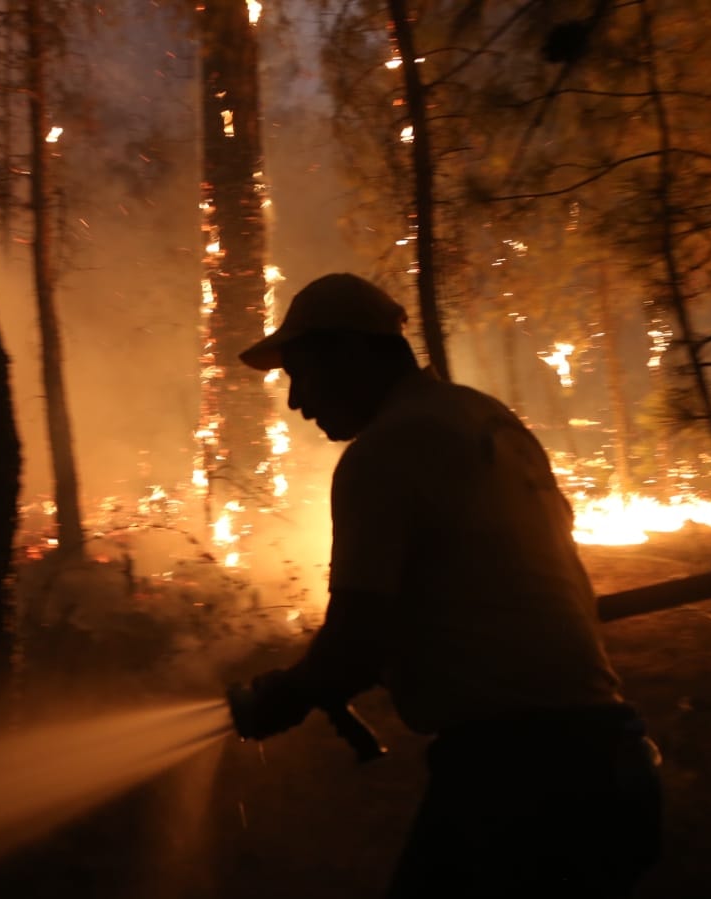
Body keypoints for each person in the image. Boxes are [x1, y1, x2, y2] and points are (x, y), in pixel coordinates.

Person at [231, 273, 662, 898]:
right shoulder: (487, 420)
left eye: (300, 372)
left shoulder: (384, 452)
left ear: (350, 352)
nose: (296, 401)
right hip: (612, 764)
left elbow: (354, 641)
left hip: (517, 781)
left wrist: (286, 695)